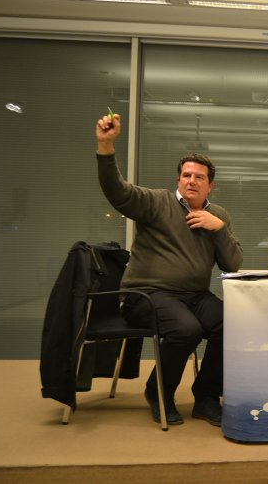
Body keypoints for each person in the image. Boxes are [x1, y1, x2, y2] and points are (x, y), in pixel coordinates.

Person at [94, 111, 243, 427]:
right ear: (178, 180)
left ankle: (205, 397)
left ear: (210, 185)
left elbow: (233, 264)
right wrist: (105, 147)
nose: (192, 180)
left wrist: (218, 229)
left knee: (233, 324)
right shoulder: (156, 202)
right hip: (145, 295)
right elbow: (117, 192)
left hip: (194, 296)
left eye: (199, 177)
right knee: (186, 329)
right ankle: (158, 392)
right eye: (186, 175)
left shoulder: (219, 216)